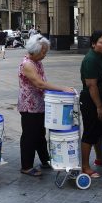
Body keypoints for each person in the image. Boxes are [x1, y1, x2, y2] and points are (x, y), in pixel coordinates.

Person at [18, 34, 74, 177]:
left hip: (39, 104)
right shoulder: (28, 64)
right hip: (29, 106)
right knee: (29, 135)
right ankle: (26, 166)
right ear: (35, 51)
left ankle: (45, 160)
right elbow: (39, 83)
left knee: (40, 134)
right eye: (43, 52)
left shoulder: (37, 62)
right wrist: (61, 88)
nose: (45, 55)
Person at [79, 30, 102, 178]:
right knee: (90, 133)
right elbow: (91, 85)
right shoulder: (90, 59)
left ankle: (100, 158)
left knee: (100, 131)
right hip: (91, 101)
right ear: (93, 44)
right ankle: (85, 166)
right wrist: (99, 106)